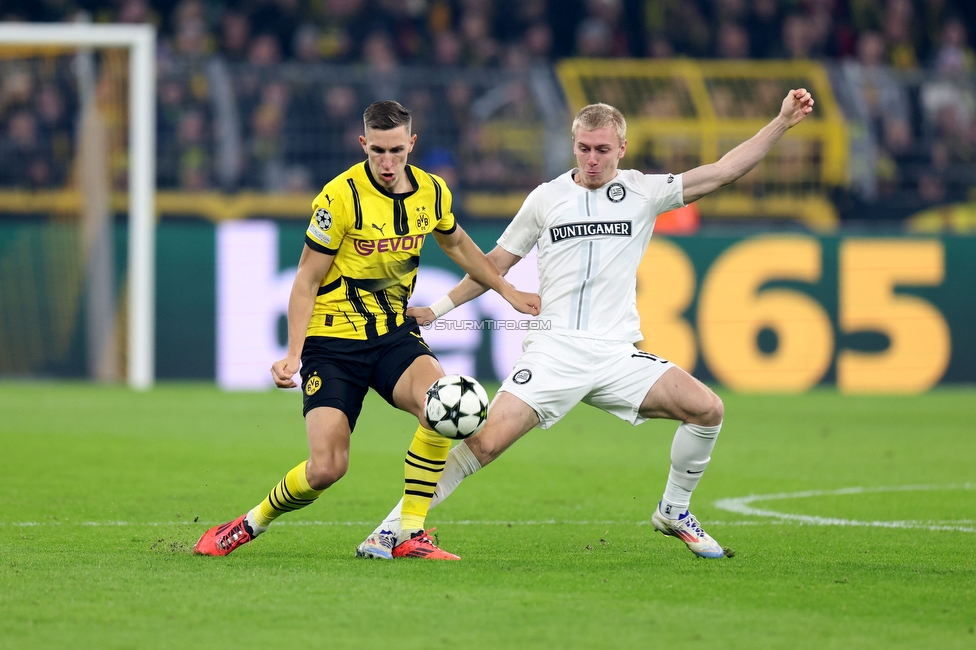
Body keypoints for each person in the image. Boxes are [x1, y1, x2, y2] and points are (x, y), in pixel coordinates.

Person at [357, 89, 815, 560]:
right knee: (485, 442)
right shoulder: (546, 198)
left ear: (621, 148)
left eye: (602, 150)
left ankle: (674, 510)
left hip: (617, 353)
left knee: (707, 410)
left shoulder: (643, 191)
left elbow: (723, 171)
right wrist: (437, 309)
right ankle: (391, 531)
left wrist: (781, 122)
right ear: (572, 144)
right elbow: (494, 263)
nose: (592, 159)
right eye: (583, 148)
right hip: (555, 350)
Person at [194, 100, 540, 560]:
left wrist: (506, 289)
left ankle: (406, 533)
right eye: (377, 150)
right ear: (363, 145)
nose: (387, 162)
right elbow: (306, 279)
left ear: (411, 144)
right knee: (326, 468)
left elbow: (456, 242)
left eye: (396, 150)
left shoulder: (433, 192)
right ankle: (249, 524)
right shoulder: (340, 197)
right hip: (332, 345)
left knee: (441, 403)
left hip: (392, 334)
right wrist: (294, 353)